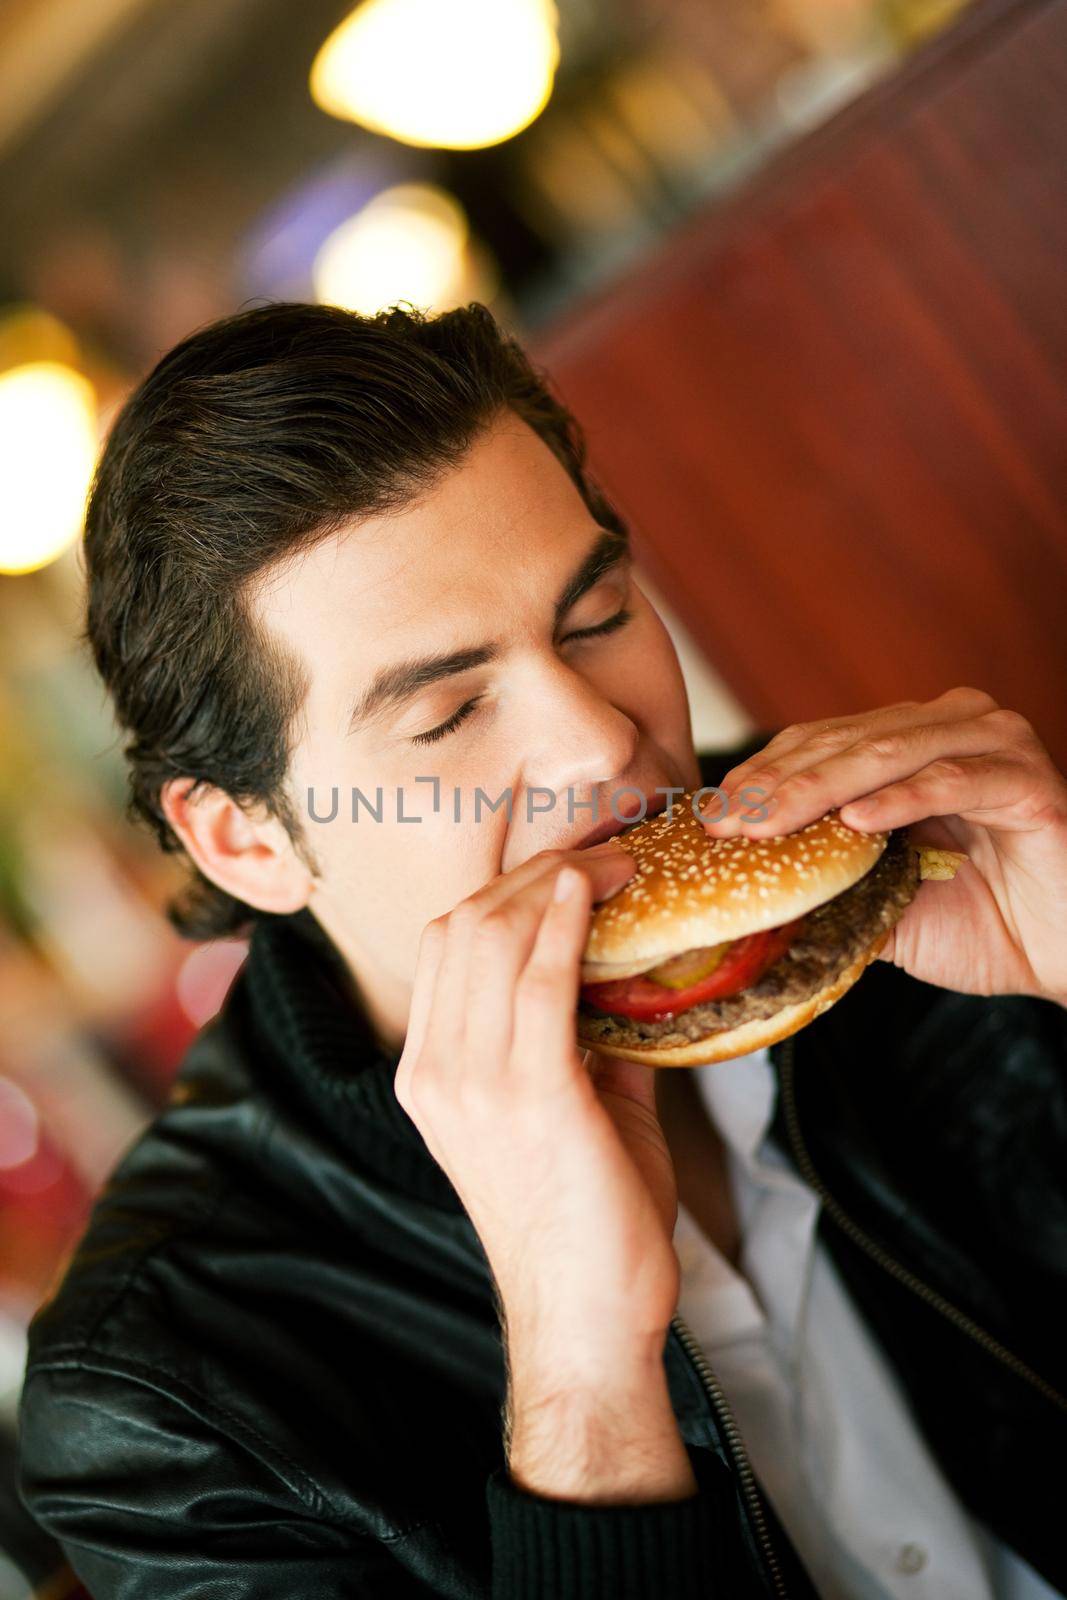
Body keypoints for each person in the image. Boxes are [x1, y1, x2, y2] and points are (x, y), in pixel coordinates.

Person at [15, 300, 1067, 1599]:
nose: (600, 744)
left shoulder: (928, 862)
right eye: (452, 711)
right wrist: (581, 1372)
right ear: (243, 842)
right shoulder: (163, 1405)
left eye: (599, 617)